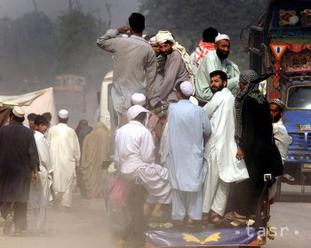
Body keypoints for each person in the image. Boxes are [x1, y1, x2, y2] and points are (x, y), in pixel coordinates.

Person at [230, 70, 283, 220]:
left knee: (246, 181)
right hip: (265, 149)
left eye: (242, 83)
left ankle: (241, 213)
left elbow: (249, 129)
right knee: (257, 181)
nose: (240, 86)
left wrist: (242, 147)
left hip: (253, 149)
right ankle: (254, 211)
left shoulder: (248, 100)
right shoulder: (262, 99)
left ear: (248, 84)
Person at [202, 70, 249, 224]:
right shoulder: (232, 98)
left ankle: (204, 212)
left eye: (216, 81)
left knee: (210, 181)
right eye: (211, 81)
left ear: (224, 83)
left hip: (215, 146)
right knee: (224, 182)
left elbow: (203, 114)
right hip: (229, 146)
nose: (212, 84)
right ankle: (216, 213)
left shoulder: (218, 96)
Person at [97, 13, 157, 131]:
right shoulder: (148, 49)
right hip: (138, 101)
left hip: (118, 100)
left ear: (130, 27)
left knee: (119, 134)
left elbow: (100, 41)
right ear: (143, 27)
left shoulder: (119, 42)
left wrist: (116, 31)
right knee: (139, 132)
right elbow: (151, 80)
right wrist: (150, 103)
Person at [115, 105, 171, 217]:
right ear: (142, 117)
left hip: (124, 170)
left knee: (155, 186)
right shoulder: (144, 131)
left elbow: (118, 154)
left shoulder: (119, 131)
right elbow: (147, 157)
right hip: (139, 170)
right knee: (168, 179)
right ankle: (157, 210)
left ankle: (147, 209)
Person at [167, 81, 211, 222]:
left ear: (179, 93)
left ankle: (178, 217)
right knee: (194, 186)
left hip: (177, 153)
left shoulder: (172, 108)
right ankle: (193, 217)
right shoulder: (199, 111)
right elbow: (208, 131)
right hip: (194, 153)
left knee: (177, 185)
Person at [0, 107, 39, 235]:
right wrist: (35, 171)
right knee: (21, 199)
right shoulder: (28, 133)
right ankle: (19, 227)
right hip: (22, 172)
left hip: (5, 171)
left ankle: (7, 216)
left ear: (11, 117)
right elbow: (33, 153)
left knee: (5, 196)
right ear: (22, 119)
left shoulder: (2, 131)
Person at [148, 31, 193, 109]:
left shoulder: (175, 55)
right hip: (171, 88)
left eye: (166, 46)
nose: (163, 49)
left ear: (171, 44)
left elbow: (169, 80)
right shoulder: (166, 56)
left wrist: (156, 100)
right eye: (161, 47)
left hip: (178, 91)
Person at [195, 34, 240, 105]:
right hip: (206, 94)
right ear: (215, 47)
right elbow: (216, 83)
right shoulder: (211, 58)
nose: (226, 49)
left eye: (228, 47)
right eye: (223, 46)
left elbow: (232, 66)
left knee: (234, 69)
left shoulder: (221, 57)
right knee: (239, 80)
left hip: (214, 90)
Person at [48, 109, 80, 209]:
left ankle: (56, 203)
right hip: (68, 162)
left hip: (54, 161)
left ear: (58, 118)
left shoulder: (52, 130)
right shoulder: (71, 131)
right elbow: (76, 149)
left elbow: (48, 145)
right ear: (68, 119)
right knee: (67, 183)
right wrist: (77, 162)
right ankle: (65, 204)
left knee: (56, 181)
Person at [29, 115, 52, 230]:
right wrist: (51, 170)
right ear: (37, 126)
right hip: (42, 170)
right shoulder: (40, 138)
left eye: (46, 125)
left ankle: (36, 224)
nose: (45, 127)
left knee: (35, 198)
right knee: (42, 200)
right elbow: (45, 158)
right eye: (43, 125)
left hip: (33, 171)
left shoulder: (32, 136)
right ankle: (40, 226)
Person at [81, 122, 112, 198]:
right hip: (104, 162)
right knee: (103, 175)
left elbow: (84, 151)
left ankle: (93, 193)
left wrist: (83, 163)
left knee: (93, 176)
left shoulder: (89, 136)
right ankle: (101, 192)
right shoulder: (107, 135)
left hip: (91, 162)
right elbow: (110, 150)